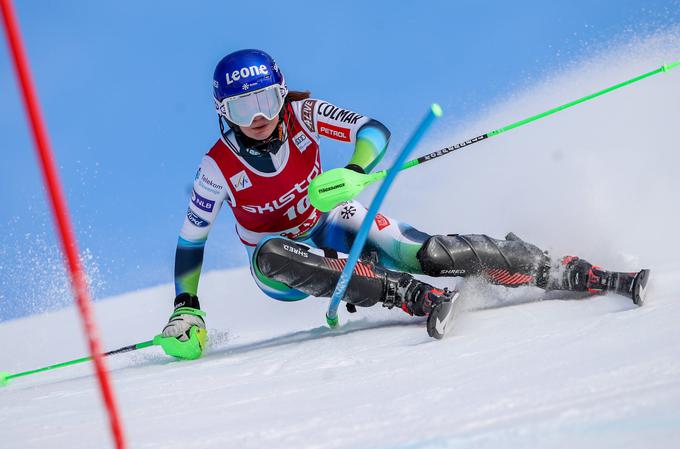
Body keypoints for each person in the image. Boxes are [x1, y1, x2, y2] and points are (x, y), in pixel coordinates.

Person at [158, 49, 650, 359]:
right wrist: (187, 307)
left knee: (426, 250)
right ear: (224, 112)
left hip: (328, 220)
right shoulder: (216, 166)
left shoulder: (302, 113)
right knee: (270, 254)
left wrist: (355, 171)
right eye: (244, 108)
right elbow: (190, 240)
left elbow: (372, 131)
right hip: (281, 260)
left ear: (281, 93)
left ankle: (560, 269)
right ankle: (411, 296)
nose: (260, 116)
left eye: (266, 99)